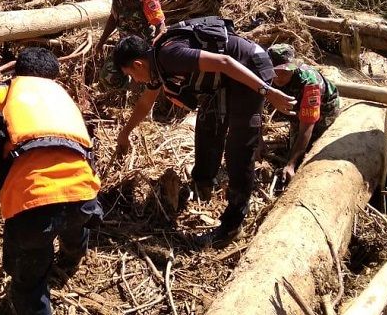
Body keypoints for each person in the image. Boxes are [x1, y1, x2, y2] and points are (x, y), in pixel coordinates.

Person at [111, 17, 296, 247]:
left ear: (138, 65)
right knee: (207, 126)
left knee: (238, 149)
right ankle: (202, 185)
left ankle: (232, 224)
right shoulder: (157, 65)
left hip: (250, 69)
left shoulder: (169, 56)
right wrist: (124, 133)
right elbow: (145, 104)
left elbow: (225, 62)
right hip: (225, 81)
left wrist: (267, 92)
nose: (135, 80)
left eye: (131, 75)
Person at [0, 47, 102, 315]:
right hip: (85, 196)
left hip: (32, 204)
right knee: (73, 221)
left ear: (16, 72)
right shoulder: (63, 97)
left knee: (28, 285)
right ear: (52, 77)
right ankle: (70, 258)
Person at [267, 44, 341, 183]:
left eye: (284, 71)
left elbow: (307, 125)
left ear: (294, 68)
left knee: (315, 145)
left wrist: (291, 164)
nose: (279, 76)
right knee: (293, 147)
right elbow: (255, 108)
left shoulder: (310, 83)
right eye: (274, 71)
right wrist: (258, 141)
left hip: (325, 108)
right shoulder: (265, 75)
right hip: (297, 108)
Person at [95, 0, 166, 88]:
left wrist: (154, 52)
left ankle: (143, 90)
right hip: (125, 46)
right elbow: (113, 17)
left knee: (149, 80)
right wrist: (101, 42)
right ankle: (131, 88)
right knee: (107, 76)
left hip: (143, 48)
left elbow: (160, 25)